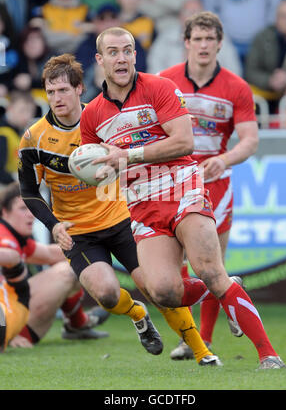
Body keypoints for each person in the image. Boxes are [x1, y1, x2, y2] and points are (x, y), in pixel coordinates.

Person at [80, 26, 285, 370]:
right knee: (162, 291)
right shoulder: (92, 115)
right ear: (100, 60)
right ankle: (226, 288)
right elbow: (97, 166)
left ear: (135, 55)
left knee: (207, 268)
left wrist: (127, 157)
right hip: (143, 203)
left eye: (128, 50)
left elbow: (184, 142)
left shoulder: (159, 87)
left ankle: (268, 354)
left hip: (183, 186)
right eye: (113, 52)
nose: (122, 58)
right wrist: (98, 173)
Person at [18, 53, 222, 365]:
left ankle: (202, 352)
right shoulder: (34, 138)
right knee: (107, 293)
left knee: (158, 290)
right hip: (80, 233)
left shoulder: (102, 121)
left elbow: (138, 157)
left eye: (63, 90)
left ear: (78, 90)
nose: (56, 98)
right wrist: (54, 225)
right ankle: (138, 315)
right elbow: (29, 192)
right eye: (50, 91)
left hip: (123, 219)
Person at [157, 10, 260, 359]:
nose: (203, 45)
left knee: (211, 262)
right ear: (186, 43)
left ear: (219, 44)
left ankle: (202, 339)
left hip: (215, 180)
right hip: (173, 179)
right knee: (182, 265)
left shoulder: (236, 87)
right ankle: (202, 326)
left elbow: (249, 140)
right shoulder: (165, 82)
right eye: (197, 39)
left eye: (209, 39)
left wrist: (225, 159)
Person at [0, 182, 109, 351]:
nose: (30, 215)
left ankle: (77, 323)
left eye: (31, 208)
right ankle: (77, 323)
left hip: (19, 320)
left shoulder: (17, 239)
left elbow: (51, 254)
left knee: (76, 260)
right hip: (9, 321)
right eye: (23, 209)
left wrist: (96, 244)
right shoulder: (5, 239)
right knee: (69, 270)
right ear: (4, 212)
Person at [202, 0, 283, 67]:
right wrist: (223, 35)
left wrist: (264, 35)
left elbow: (276, 7)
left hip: (261, 41)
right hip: (226, 42)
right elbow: (209, 8)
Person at [245, 0, 286, 113]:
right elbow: (250, 70)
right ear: (276, 18)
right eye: (284, 16)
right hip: (264, 92)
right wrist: (269, 80)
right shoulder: (262, 37)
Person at [0, 91, 36, 188]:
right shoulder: (3, 133)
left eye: (30, 111)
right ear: (10, 109)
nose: (27, 116)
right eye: (22, 110)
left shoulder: (24, 132)